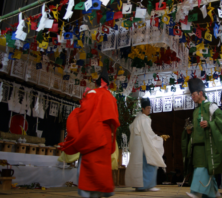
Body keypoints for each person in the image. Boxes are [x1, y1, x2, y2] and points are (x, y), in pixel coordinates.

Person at [59, 66, 120, 197]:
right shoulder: (112, 98)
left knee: (89, 166)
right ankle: (100, 192)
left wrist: (76, 114)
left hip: (92, 132)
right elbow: (114, 122)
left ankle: (87, 193)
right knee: (101, 167)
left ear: (96, 83)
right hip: (105, 136)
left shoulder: (93, 93)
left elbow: (85, 113)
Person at [184, 78, 222, 198]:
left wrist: (210, 124)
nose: (192, 97)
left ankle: (196, 192)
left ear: (201, 93)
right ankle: (214, 192)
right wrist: (190, 130)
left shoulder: (211, 106)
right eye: (191, 94)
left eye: (193, 94)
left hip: (207, 145)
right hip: (196, 146)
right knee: (206, 170)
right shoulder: (195, 111)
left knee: (201, 168)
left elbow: (221, 120)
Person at [125, 98, 168, 192]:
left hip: (138, 145)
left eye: (150, 108)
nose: (149, 110)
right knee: (150, 162)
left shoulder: (137, 118)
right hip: (143, 144)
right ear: (143, 109)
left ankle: (139, 185)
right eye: (147, 108)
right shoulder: (144, 119)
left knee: (139, 166)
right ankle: (149, 185)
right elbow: (148, 134)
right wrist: (159, 138)